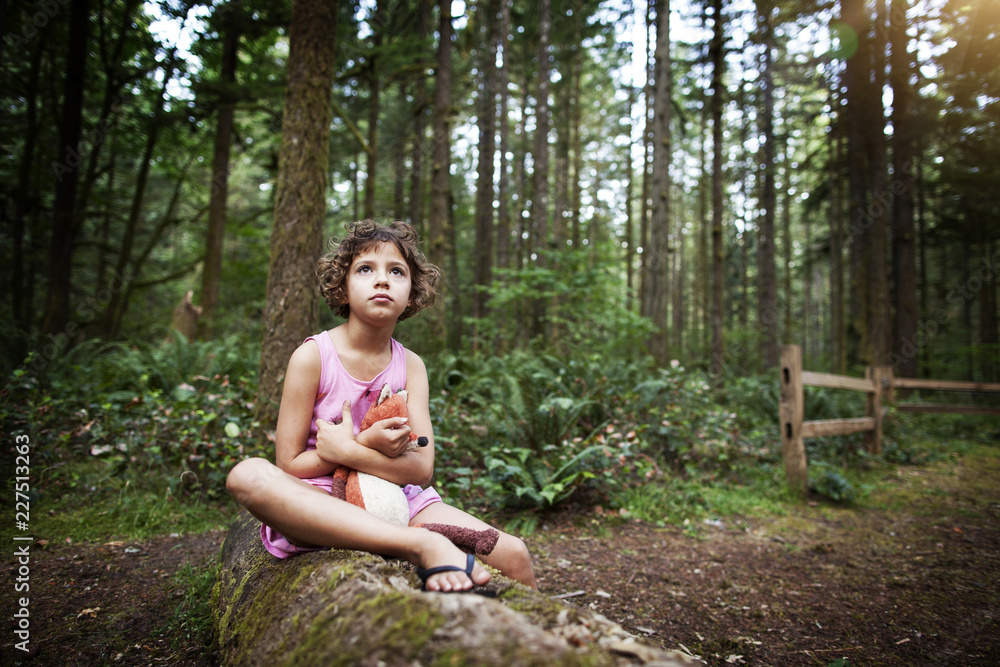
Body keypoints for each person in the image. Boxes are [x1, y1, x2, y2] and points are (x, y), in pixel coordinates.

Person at [227, 219, 536, 592]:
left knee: (515, 553)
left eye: (396, 271)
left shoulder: (412, 366)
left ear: (412, 294)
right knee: (247, 475)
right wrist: (360, 446)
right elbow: (290, 465)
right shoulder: (313, 357)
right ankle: (421, 544)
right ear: (342, 289)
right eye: (365, 269)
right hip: (324, 499)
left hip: (400, 498)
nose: (382, 279)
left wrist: (352, 448)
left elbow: (421, 468)